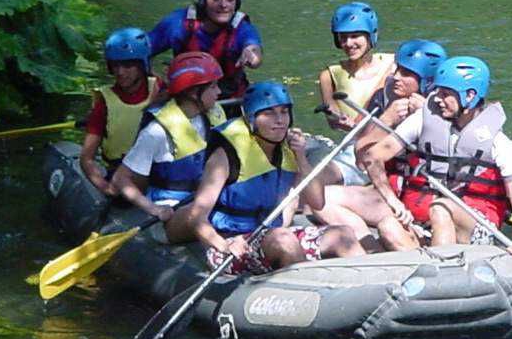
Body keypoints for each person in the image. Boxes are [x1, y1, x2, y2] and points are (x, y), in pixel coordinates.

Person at [167, 81, 365, 274]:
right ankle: (311, 295)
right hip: (229, 242)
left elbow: (317, 202)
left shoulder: (289, 148)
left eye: (284, 112)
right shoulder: (225, 155)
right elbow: (196, 215)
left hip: (270, 234)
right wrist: (224, 245)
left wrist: (302, 158)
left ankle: (368, 283)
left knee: (343, 234)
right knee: (283, 240)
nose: (279, 120)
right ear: (252, 119)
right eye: (269, 113)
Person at [359, 56, 512, 263]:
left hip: (477, 227)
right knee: (387, 226)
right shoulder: (423, 120)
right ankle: (430, 268)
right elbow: (372, 157)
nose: (436, 99)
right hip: (426, 223)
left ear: (470, 95)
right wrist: (392, 201)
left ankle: (441, 272)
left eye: (445, 94)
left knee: (441, 207)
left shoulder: (501, 144)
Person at [316, 38, 449, 250]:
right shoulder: (385, 97)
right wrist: (386, 120)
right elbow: (361, 159)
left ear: (427, 80)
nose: (395, 76)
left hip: (428, 198)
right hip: (391, 193)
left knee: (389, 226)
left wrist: (430, 119)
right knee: (318, 196)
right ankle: (368, 248)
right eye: (397, 69)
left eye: (406, 73)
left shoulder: (445, 107)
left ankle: (414, 239)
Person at [110, 52, 227, 221]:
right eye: (213, 86)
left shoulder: (212, 115)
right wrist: (154, 209)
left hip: (206, 201)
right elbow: (121, 178)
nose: (219, 92)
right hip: (173, 211)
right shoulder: (157, 132)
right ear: (193, 93)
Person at [146, 0, 262, 99]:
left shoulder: (241, 28)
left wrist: (251, 53)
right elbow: (142, 50)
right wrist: (158, 82)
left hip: (230, 101)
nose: (224, 5)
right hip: (188, 101)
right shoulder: (179, 23)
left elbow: (253, 48)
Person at [79, 27, 160, 195]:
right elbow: (87, 158)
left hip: (157, 173)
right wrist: (105, 188)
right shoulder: (105, 103)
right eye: (115, 65)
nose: (120, 72)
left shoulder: (161, 89)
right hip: (121, 175)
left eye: (128, 65)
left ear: (142, 65)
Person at [316, 2, 393, 134]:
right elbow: (334, 121)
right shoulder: (328, 75)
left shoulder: (393, 64)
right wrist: (339, 119)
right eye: (343, 38)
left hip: (390, 139)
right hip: (353, 143)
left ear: (371, 35)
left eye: (355, 36)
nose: (348, 43)